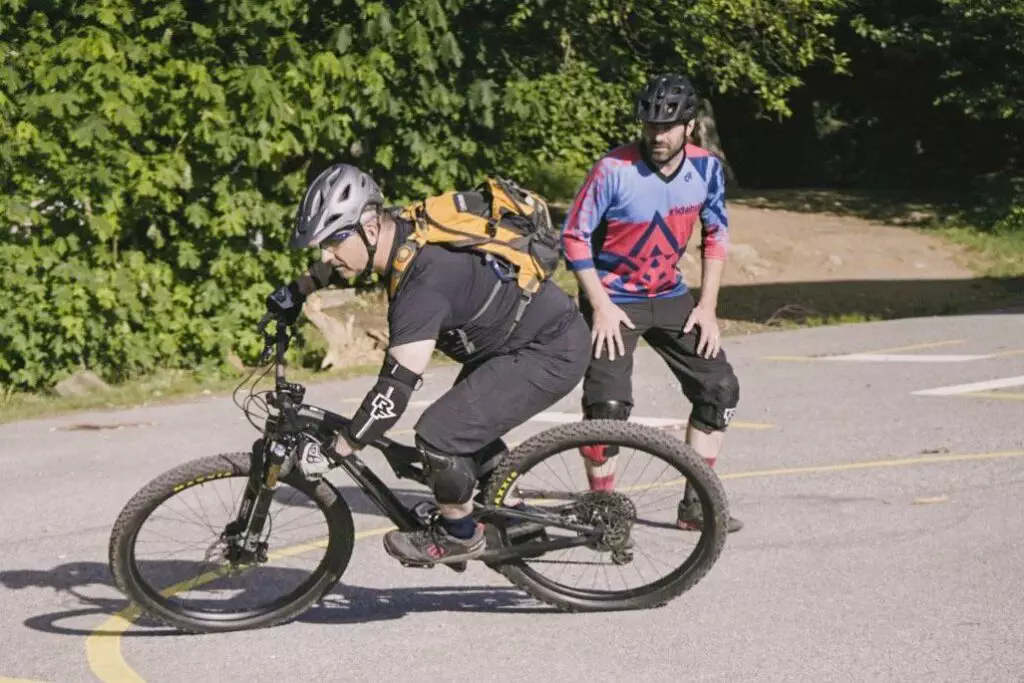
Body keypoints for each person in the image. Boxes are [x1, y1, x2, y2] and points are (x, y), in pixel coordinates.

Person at [265, 163, 592, 565]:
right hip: (510, 343)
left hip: (548, 348)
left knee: (441, 435)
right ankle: (520, 519)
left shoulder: (422, 285)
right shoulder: (398, 228)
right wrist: (298, 290)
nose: (327, 255)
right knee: (468, 426)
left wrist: (346, 444)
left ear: (369, 229)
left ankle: (460, 535)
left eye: (333, 242)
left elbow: (395, 388)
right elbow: (333, 266)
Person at [561, 72, 744, 533]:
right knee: (607, 409)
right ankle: (604, 513)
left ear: (689, 127)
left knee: (719, 391)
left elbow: (716, 234)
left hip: (671, 296)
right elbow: (575, 238)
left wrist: (707, 307)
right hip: (614, 300)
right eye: (649, 126)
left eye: (668, 126)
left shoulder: (706, 170)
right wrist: (599, 305)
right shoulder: (613, 169)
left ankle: (695, 506)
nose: (657, 135)